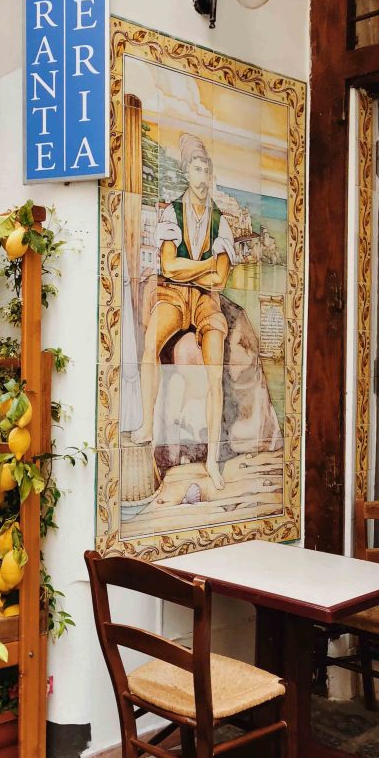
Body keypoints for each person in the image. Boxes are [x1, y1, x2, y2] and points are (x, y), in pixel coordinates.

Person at [131, 133, 236, 490]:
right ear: (187, 173)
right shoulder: (170, 212)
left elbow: (220, 279)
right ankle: (147, 424)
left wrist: (191, 267)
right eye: (196, 167)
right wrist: (203, 266)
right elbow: (167, 268)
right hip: (174, 294)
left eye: (207, 168)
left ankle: (211, 463)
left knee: (214, 376)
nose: (203, 176)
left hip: (207, 299)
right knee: (149, 345)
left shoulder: (221, 221)